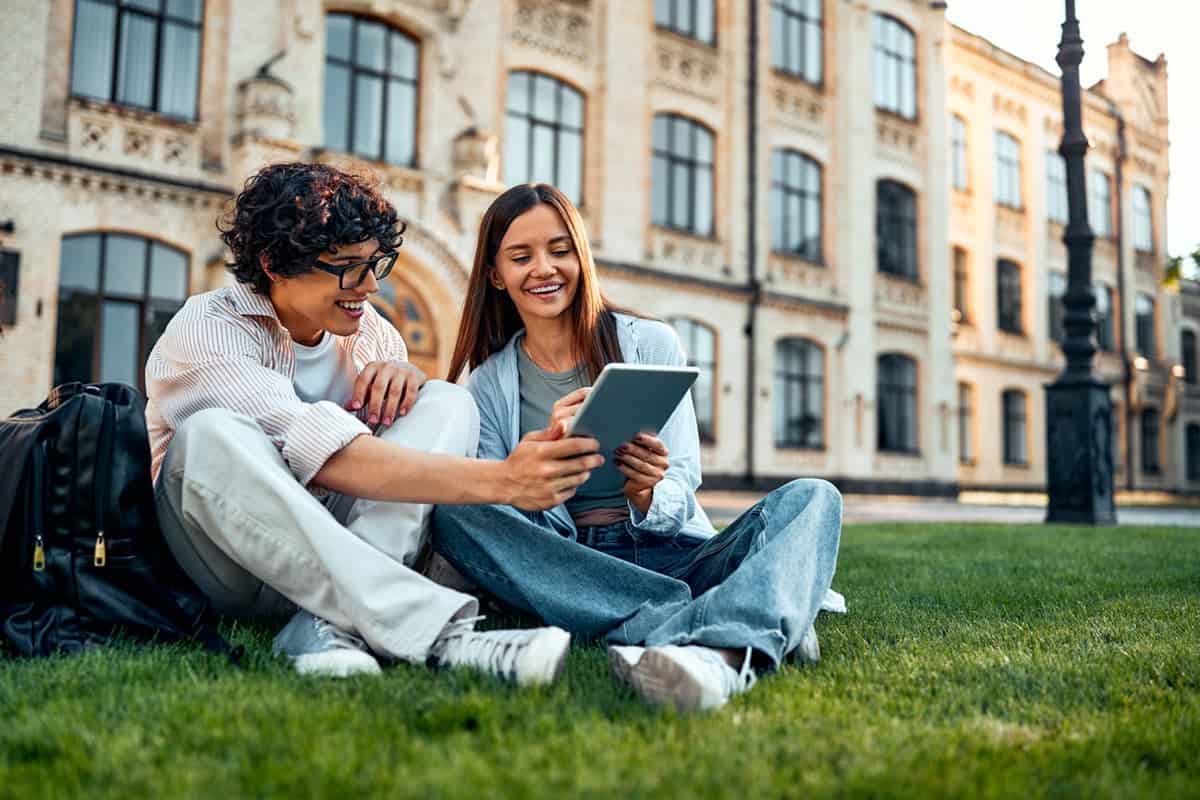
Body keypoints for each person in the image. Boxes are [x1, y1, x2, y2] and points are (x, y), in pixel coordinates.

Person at [145, 163, 605, 681]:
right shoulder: (207, 328)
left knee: (449, 401)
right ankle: (437, 635)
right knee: (211, 436)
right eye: (346, 266)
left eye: (374, 264)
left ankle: (326, 626)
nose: (368, 286)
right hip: (230, 563)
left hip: (345, 558)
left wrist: (410, 382)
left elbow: (393, 478)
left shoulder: (374, 338)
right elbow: (332, 460)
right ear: (274, 264)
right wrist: (507, 481)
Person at [432, 183, 844, 712]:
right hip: (570, 563)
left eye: (560, 250)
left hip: (670, 555)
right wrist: (543, 462)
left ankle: (714, 643)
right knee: (451, 512)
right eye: (521, 256)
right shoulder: (488, 380)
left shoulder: (650, 343)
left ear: (581, 257)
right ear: (495, 275)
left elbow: (684, 479)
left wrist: (647, 492)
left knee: (813, 497)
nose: (544, 269)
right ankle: (741, 617)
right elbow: (505, 503)